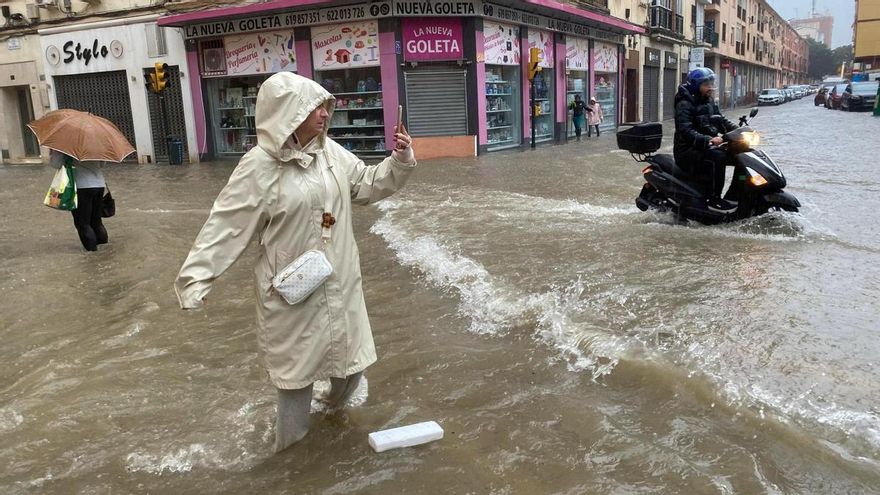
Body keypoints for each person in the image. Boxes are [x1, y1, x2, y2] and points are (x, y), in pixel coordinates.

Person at [174, 72, 417, 453]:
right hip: (292, 294)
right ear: (289, 113)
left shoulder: (330, 154)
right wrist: (197, 279)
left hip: (339, 282)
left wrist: (399, 160)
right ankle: (289, 460)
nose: (324, 114)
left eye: (325, 106)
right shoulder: (259, 167)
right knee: (295, 382)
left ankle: (328, 420)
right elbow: (225, 225)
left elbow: (367, 184)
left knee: (351, 368)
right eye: (314, 108)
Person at [673, 68, 739, 212]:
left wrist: (739, 130)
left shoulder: (708, 101)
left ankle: (738, 194)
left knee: (739, 155)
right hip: (687, 150)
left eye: (711, 83)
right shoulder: (684, 104)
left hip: (705, 147)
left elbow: (721, 120)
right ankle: (714, 200)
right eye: (706, 84)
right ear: (696, 85)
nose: (711, 87)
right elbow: (685, 130)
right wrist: (709, 139)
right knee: (719, 157)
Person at [50, 150, 107, 251]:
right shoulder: (96, 143)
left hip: (81, 186)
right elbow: (102, 164)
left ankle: (92, 255)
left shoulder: (66, 146)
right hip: (99, 184)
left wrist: (55, 153)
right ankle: (104, 251)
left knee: (83, 223)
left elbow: (56, 164)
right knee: (96, 221)